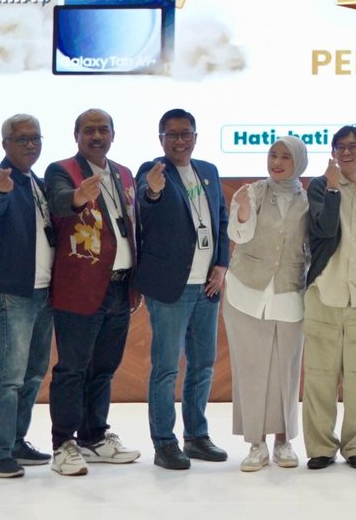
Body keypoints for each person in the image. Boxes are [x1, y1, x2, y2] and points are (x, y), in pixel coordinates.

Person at [45, 108, 142, 476]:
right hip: (79, 288)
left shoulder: (124, 173)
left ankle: (94, 436)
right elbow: (59, 202)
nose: (97, 136)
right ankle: (63, 443)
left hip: (119, 286)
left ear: (113, 135)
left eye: (103, 130)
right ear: (77, 136)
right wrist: (78, 197)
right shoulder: (62, 170)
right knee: (72, 369)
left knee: (103, 369)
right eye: (89, 130)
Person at [134, 108, 231, 470]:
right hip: (171, 287)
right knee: (166, 369)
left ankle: (196, 437)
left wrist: (222, 264)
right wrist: (153, 192)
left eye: (185, 133)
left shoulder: (208, 170)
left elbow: (220, 217)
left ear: (195, 136)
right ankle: (164, 443)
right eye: (172, 135)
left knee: (203, 365)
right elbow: (146, 206)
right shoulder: (153, 171)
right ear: (161, 139)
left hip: (208, 285)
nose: (179, 140)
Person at [303, 125, 356, 469]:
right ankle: (321, 447)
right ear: (333, 152)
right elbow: (323, 229)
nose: (346, 152)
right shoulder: (319, 187)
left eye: (354, 147)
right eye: (340, 147)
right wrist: (332, 189)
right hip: (324, 293)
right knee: (319, 377)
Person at [224, 136, 310, 471]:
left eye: (285, 157)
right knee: (252, 370)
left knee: (286, 371)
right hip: (246, 293)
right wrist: (243, 212)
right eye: (273, 155)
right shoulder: (253, 192)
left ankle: (283, 442)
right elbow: (238, 236)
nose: (277, 162)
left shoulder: (308, 199)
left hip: (290, 293)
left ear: (298, 162)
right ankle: (256, 444)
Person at [0, 114, 56, 478]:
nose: (30, 144)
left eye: (35, 138)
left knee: (33, 372)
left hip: (43, 291)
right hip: (13, 293)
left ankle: (15, 442)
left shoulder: (37, 182)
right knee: (7, 375)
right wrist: (0, 192)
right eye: (21, 139)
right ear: (5, 143)